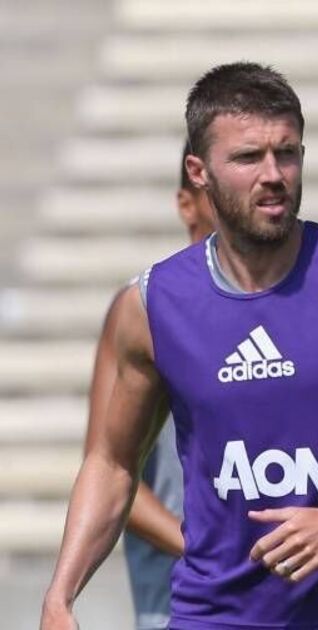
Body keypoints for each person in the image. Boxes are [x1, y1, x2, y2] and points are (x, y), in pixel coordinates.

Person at [41, 62, 318, 630]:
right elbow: (111, 463)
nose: (274, 174)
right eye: (249, 157)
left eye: (288, 153)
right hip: (214, 617)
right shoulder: (153, 305)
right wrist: (60, 595)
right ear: (199, 172)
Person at [95, 147, 214, 630]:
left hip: (281, 602)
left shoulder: (288, 309)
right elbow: (108, 469)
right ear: (187, 203)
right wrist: (211, 549)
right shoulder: (146, 311)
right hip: (177, 605)